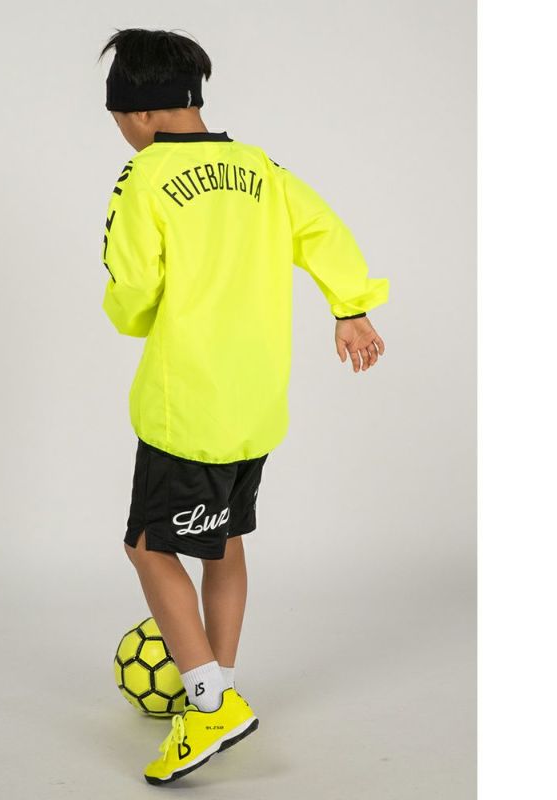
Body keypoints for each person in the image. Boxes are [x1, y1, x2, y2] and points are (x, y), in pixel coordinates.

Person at [98, 27, 389, 785]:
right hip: (257, 402)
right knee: (223, 543)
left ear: (140, 112)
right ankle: (220, 690)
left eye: (118, 118)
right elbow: (322, 228)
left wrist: (135, 310)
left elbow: (133, 292)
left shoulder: (144, 177)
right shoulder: (261, 167)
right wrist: (350, 306)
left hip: (186, 404)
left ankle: (206, 703)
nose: (122, 132)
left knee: (149, 546)